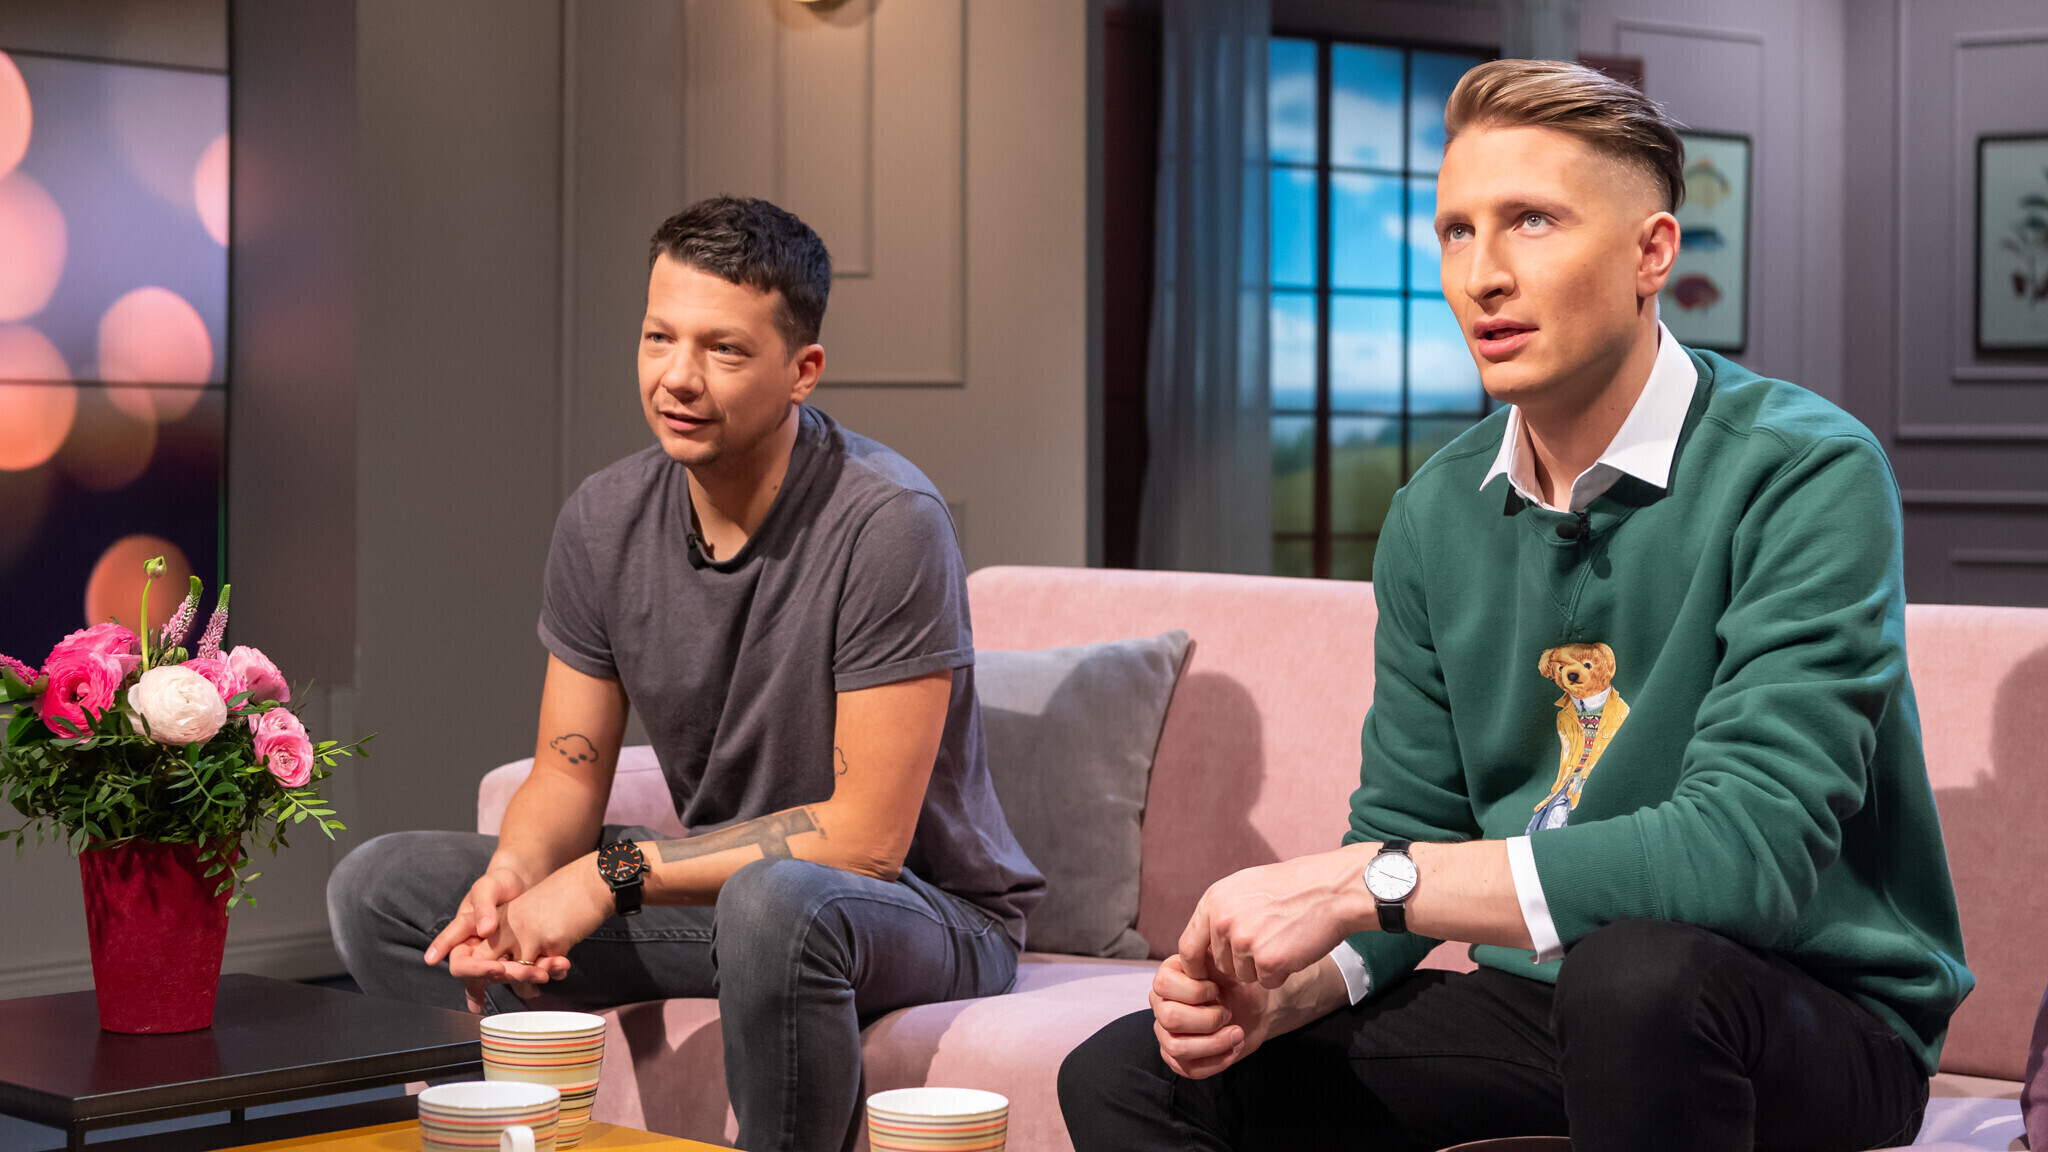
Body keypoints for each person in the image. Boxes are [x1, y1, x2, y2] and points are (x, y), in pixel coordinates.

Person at [1058, 60, 1969, 1152]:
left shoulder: (1806, 472)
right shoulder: (1433, 513)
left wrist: (1360, 883)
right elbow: (1411, 823)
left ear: (1651, 253)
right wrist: (1294, 992)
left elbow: (1745, 858)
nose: (1481, 275)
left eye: (1531, 221)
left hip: (1804, 1015)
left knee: (1636, 977)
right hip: (1552, 999)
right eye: (1456, 231)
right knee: (1132, 1075)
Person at [328, 196, 1043, 1152]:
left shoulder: (888, 523)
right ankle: (521, 1135)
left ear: (802, 371)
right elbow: (566, 774)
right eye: (658, 336)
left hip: (918, 915)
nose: (677, 377)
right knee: (383, 889)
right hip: (737, 904)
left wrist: (611, 875)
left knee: (775, 904)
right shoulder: (604, 519)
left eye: (724, 350)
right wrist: (514, 877)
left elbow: (867, 840)